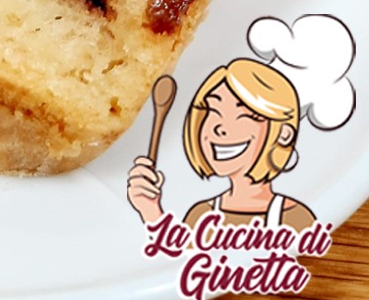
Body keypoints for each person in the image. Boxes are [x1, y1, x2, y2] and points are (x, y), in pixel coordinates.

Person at [127, 58, 316, 231]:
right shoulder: (201, 213)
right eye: (213, 109)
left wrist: (153, 215)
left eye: (246, 115)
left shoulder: (295, 217)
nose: (220, 127)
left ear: (284, 133)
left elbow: (189, 260)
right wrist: (150, 209)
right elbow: (181, 257)